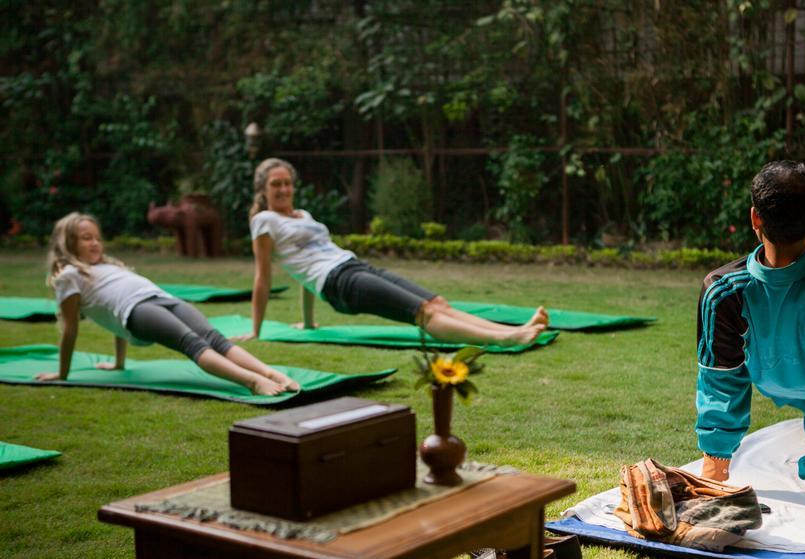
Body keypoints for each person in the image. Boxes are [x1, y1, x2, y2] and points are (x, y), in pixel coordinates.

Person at [694, 160, 805, 511]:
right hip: (773, 377)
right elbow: (722, 378)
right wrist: (715, 466)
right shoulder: (725, 290)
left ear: (754, 218)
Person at [234, 158, 548, 346]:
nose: (284, 189)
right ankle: (505, 340)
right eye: (276, 184)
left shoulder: (302, 215)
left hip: (353, 265)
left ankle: (514, 329)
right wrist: (255, 331)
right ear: (263, 189)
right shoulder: (264, 221)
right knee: (423, 314)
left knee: (437, 302)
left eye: (288, 183)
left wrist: (309, 323)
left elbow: (302, 271)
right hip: (339, 285)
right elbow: (263, 276)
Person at [36, 212, 299, 396]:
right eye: (85, 238)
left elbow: (109, 315)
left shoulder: (106, 265)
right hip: (137, 312)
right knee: (193, 344)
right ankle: (253, 382)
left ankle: (271, 373)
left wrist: (118, 363)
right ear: (68, 243)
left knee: (214, 338)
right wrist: (62, 373)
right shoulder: (68, 275)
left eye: (96, 237)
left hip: (162, 298)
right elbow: (71, 328)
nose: (94, 243)